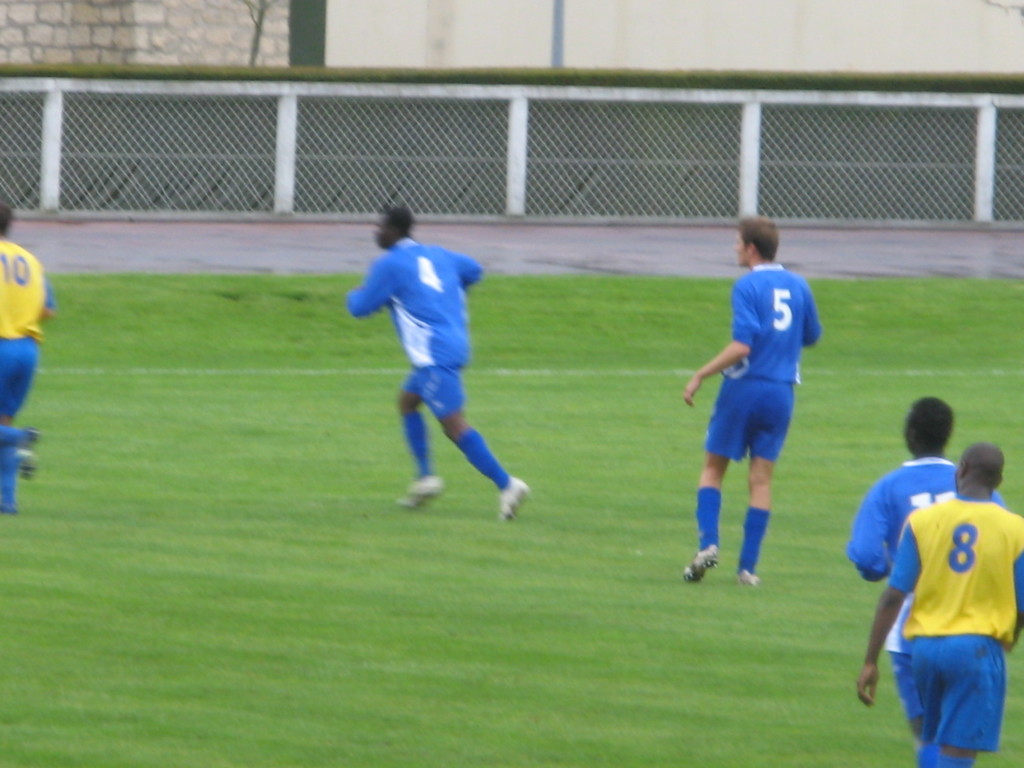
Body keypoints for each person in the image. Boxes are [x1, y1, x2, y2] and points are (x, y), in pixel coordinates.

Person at [847, 398, 1003, 768]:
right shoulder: (981, 485)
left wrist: (900, 565)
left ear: (910, 434)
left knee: (928, 736)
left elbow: (868, 560)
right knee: (960, 739)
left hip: (912, 631)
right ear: (948, 436)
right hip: (975, 629)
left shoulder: (888, 488)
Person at [346, 206, 529, 520]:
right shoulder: (439, 254)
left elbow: (360, 308)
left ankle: (508, 484)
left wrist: (355, 293)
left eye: (380, 227)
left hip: (434, 354)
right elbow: (473, 270)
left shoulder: (388, 265)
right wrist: (445, 294)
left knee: (454, 426)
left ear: (394, 231)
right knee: (407, 403)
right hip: (455, 343)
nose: (375, 232)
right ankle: (425, 478)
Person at [681, 216, 822, 586]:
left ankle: (708, 544)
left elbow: (743, 344)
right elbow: (811, 335)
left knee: (713, 469)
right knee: (761, 481)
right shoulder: (799, 285)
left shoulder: (746, 287)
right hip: (781, 392)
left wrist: (701, 374)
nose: (734, 247)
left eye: (737, 242)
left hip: (744, 389)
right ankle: (748, 569)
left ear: (752, 249)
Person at [0, 201, 55, 516]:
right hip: (27, 348)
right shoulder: (30, 260)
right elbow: (48, 309)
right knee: (2, 421)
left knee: (7, 429)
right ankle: (7, 501)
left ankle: (22, 438)